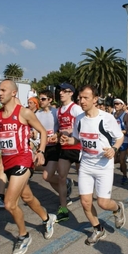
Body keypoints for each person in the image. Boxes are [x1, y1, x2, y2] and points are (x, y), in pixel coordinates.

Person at [0, 79, 56, 254]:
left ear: (14, 93)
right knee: (27, 197)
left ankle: (24, 236)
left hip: (23, 160)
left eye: (3, 90)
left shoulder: (23, 113)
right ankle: (47, 219)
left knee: (9, 203)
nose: (0, 93)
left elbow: (43, 132)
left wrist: (40, 151)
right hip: (7, 162)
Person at [60, 85, 125, 245]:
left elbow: (119, 137)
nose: (81, 101)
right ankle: (98, 229)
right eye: (80, 98)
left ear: (95, 99)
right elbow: (77, 139)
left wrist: (114, 149)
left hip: (103, 166)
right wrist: (68, 140)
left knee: (103, 203)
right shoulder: (79, 119)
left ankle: (117, 208)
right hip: (86, 165)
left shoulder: (106, 118)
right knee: (85, 202)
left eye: (85, 98)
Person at [55, 83, 83, 222]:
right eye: (60, 91)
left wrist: (70, 131)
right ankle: (63, 208)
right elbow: (59, 129)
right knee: (61, 177)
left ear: (71, 93)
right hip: (65, 148)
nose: (61, 93)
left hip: (78, 147)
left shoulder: (76, 109)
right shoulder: (58, 111)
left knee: (82, 178)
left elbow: (83, 125)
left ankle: (86, 201)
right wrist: (58, 135)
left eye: (64, 91)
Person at [35, 89, 61, 196]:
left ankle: (64, 182)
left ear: (50, 100)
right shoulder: (37, 114)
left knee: (47, 176)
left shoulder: (56, 112)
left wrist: (57, 135)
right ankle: (64, 192)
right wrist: (34, 136)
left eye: (43, 99)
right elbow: (36, 131)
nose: (41, 101)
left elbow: (63, 129)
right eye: (39, 99)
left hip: (55, 147)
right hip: (44, 147)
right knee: (48, 176)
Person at [113, 98, 128, 184]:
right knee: (112, 159)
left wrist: (119, 132)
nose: (116, 105)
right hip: (114, 140)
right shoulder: (112, 115)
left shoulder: (126, 116)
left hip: (124, 140)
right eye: (115, 104)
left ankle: (125, 175)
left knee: (122, 159)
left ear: (122, 105)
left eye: (118, 104)